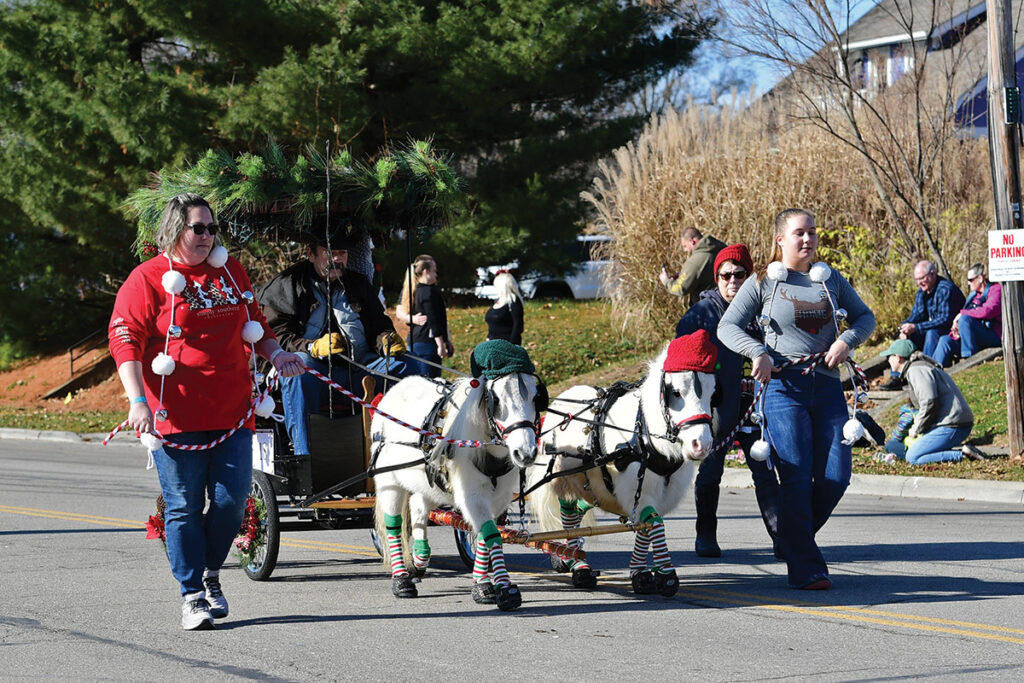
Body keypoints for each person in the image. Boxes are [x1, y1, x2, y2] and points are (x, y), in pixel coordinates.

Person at [109, 193, 305, 630]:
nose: (207, 236)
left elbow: (256, 322)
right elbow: (124, 340)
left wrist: (277, 356)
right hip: (173, 417)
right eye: (198, 228)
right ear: (175, 229)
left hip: (233, 411)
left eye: (212, 228)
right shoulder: (149, 278)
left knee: (232, 503)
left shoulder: (228, 271)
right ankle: (192, 594)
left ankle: (211, 573)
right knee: (182, 506)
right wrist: (137, 400)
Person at [719, 208, 876, 590]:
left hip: (825, 388)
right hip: (781, 390)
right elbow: (728, 327)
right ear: (780, 240)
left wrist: (845, 341)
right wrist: (757, 354)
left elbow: (864, 318)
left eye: (812, 233)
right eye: (798, 234)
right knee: (796, 477)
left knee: (837, 475)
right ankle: (805, 565)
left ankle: (791, 537)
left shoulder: (828, 279)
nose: (807, 240)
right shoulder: (762, 282)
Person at [258, 218, 414, 462]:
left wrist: (386, 338)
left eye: (342, 252)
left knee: (408, 367)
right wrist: (311, 347)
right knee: (298, 366)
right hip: (313, 377)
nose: (337, 259)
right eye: (330, 252)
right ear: (311, 253)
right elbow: (274, 336)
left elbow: (378, 325)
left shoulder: (359, 284)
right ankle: (304, 458)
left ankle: (406, 457)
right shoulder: (285, 285)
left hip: (358, 371)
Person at [674, 244, 780, 559]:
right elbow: (680, 364)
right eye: (725, 276)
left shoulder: (763, 311)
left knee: (765, 472)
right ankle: (705, 534)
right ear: (716, 278)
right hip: (715, 409)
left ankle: (781, 537)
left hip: (755, 407)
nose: (732, 281)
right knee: (710, 472)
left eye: (739, 274)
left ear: (749, 277)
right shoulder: (701, 314)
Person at [881, 339, 981, 464]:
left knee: (912, 457)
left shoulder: (916, 370)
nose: (888, 360)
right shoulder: (919, 367)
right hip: (953, 424)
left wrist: (916, 429)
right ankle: (961, 452)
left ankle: (962, 455)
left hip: (952, 425)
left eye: (889, 356)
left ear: (898, 357)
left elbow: (929, 402)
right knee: (895, 447)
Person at [880, 260, 965, 389]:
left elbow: (945, 319)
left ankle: (924, 373)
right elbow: (917, 315)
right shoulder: (922, 292)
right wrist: (904, 328)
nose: (920, 282)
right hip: (932, 329)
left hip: (950, 332)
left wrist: (916, 327)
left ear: (932, 274)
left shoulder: (946, 289)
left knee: (931, 332)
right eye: (917, 279)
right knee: (906, 335)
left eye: (922, 278)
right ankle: (897, 376)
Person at [932, 263, 1002, 367]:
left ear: (980, 278)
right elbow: (967, 317)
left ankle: (968, 359)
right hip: (972, 337)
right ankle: (934, 371)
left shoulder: (996, 289)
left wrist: (962, 314)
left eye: (970, 280)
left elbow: (988, 311)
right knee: (945, 340)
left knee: (965, 319)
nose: (968, 283)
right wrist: (956, 331)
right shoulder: (973, 296)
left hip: (992, 334)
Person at [398, 254, 454, 378]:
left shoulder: (421, 290)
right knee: (429, 380)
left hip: (419, 340)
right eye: (434, 271)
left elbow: (439, 319)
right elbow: (433, 320)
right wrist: (441, 345)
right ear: (426, 271)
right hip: (426, 342)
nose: (436, 274)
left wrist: (447, 339)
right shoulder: (426, 292)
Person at [659, 227, 727, 309]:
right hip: (726, 303)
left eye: (685, 246)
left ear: (692, 242)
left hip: (709, 309)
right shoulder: (721, 247)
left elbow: (681, 288)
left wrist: (666, 281)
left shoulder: (696, 261)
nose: (685, 250)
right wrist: (684, 275)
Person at [485, 271, 525, 345]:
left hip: (507, 345)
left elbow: (518, 326)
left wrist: (511, 346)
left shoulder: (514, 302)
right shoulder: (498, 301)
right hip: (492, 344)